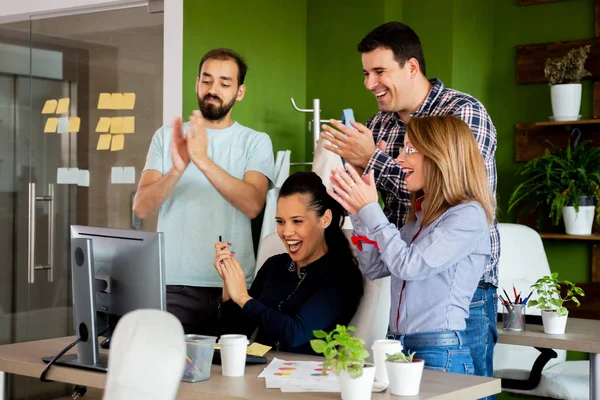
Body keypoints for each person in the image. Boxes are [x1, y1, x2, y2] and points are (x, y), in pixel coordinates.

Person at [320, 21, 499, 384]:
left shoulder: (462, 113)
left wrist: (374, 160)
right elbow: (388, 222)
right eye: (366, 73)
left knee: (469, 391)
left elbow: (455, 188)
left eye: (380, 71)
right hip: (404, 279)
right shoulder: (379, 124)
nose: (370, 84)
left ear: (412, 67)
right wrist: (359, 195)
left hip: (462, 291)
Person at [328, 115, 495, 374]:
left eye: (409, 150)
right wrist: (360, 213)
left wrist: (372, 208)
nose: (398, 160)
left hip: (441, 353)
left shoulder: (468, 216)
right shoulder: (419, 219)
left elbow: (409, 267)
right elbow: (375, 268)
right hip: (402, 349)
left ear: (440, 155)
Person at [133, 48, 274, 335]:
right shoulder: (166, 137)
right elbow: (141, 207)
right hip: (174, 284)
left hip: (232, 284)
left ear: (240, 91)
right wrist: (177, 168)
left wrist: (202, 160)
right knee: (173, 374)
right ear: (197, 83)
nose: (213, 89)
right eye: (207, 80)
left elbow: (252, 204)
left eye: (224, 83)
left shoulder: (255, 142)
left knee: (232, 375)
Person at [213, 171, 364, 354]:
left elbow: (295, 333)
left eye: (297, 221)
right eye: (280, 221)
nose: (286, 232)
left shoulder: (341, 275)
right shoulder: (274, 266)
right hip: (258, 374)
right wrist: (229, 284)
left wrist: (244, 298)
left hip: (309, 377)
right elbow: (232, 336)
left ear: (325, 219)